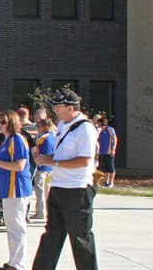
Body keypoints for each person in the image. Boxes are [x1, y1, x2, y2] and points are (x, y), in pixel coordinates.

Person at [33, 89, 99, 270]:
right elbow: (63, 155)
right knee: (52, 235)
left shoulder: (85, 128)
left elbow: (85, 160)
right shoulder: (62, 125)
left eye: (58, 106)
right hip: (58, 186)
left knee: (80, 237)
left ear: (71, 108)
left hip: (77, 189)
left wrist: (53, 162)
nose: (55, 110)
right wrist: (47, 158)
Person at [0, 110, 33, 270]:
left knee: (17, 228)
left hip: (17, 188)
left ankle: (18, 264)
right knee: (12, 228)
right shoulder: (6, 140)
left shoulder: (16, 139)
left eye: (3, 122)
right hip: (8, 189)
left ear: (12, 123)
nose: (0, 125)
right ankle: (13, 261)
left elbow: (19, 165)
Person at [30, 119, 57, 220]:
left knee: (40, 191)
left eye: (39, 126)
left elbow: (36, 152)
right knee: (48, 191)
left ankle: (40, 212)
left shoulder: (41, 138)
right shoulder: (54, 136)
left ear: (45, 127)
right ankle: (49, 212)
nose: (38, 129)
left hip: (41, 167)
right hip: (51, 168)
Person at [97, 117, 118, 188]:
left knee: (110, 167)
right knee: (105, 167)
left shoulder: (109, 129)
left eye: (99, 123)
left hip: (109, 151)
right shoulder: (99, 131)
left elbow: (114, 139)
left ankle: (111, 182)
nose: (98, 124)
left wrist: (113, 149)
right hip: (101, 152)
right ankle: (106, 181)